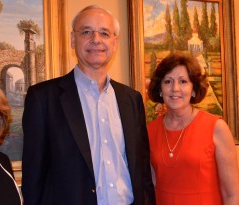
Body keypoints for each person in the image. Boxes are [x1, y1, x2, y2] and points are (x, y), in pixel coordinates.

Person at [22, 5, 156, 205]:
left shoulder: (131, 99)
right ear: (73, 40)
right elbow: (34, 178)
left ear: (115, 42)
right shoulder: (43, 98)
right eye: (86, 32)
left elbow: (142, 171)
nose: (96, 39)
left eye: (104, 33)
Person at [147, 52, 239, 205]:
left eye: (183, 81)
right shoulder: (150, 130)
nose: (175, 88)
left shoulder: (216, 128)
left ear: (194, 89)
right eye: (168, 81)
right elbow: (152, 185)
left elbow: (232, 194)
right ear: (160, 89)